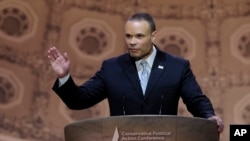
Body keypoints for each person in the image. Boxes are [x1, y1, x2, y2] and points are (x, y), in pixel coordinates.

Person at [47, 12, 224, 133]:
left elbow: (195, 100)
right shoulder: (112, 68)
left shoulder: (177, 66)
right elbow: (79, 100)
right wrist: (64, 77)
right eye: (128, 36)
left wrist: (209, 116)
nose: (132, 42)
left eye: (139, 36)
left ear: (153, 36)